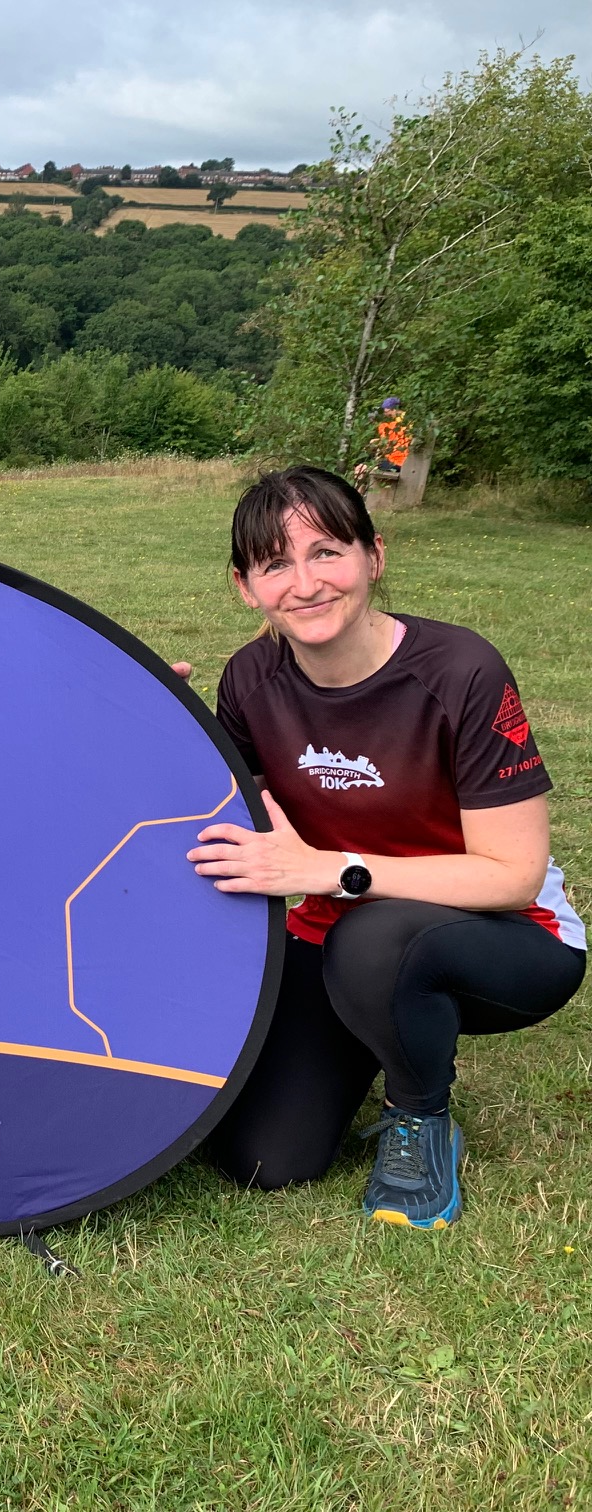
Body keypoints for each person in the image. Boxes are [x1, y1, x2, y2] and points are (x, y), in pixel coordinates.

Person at [180, 466, 582, 1228]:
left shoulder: (461, 671)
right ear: (245, 587)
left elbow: (514, 876)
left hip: (507, 937)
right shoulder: (250, 679)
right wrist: (138, 723)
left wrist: (333, 870)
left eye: (327, 552)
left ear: (374, 556)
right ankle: (378, 1029)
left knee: (375, 937)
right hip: (333, 937)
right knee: (266, 1159)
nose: (305, 584)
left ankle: (420, 1115)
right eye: (275, 564)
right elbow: (216, 817)